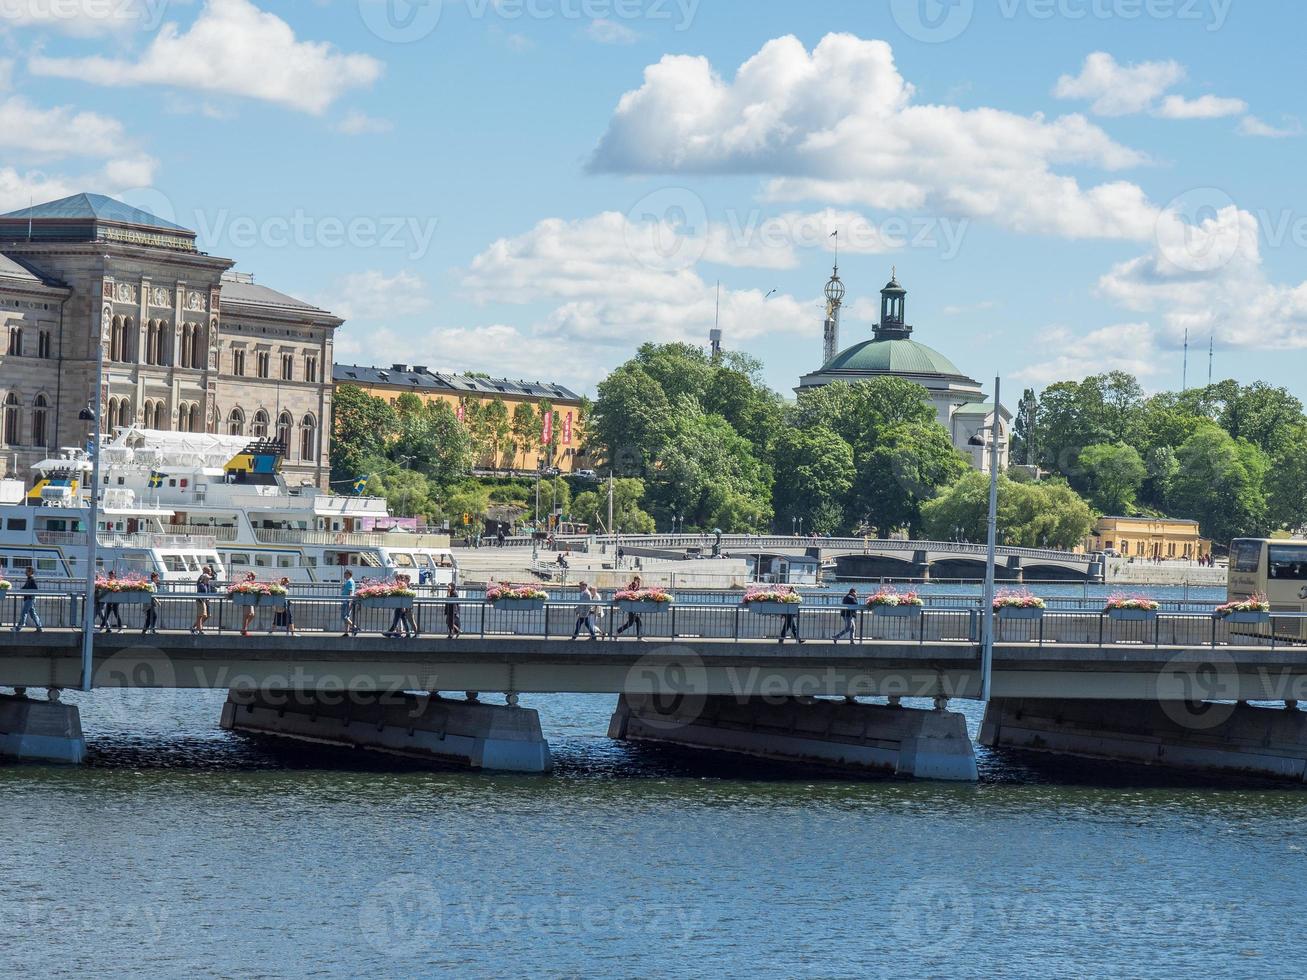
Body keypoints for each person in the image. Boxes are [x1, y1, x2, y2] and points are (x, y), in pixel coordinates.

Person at [384, 574, 418, 639]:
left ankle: (391, 632)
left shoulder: (404, 586)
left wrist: (403, 607)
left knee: (397, 620)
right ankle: (407, 634)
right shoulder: (402, 585)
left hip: (402, 606)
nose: (396, 580)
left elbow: (403, 597)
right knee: (403, 620)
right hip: (401, 606)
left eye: (397, 579)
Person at [615, 575, 645, 640]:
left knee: (638, 622)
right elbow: (632, 594)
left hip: (633, 607)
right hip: (632, 607)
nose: (640, 581)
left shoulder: (635, 585)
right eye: (639, 580)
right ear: (637, 580)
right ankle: (617, 632)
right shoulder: (633, 585)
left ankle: (639, 637)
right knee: (630, 623)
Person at [13, 567, 42, 633]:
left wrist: (26, 591)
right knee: (33, 614)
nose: (25, 572)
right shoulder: (29, 579)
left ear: (31, 572)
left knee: (24, 613)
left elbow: (35, 588)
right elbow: (25, 587)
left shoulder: (32, 579)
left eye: (27, 571)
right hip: (30, 599)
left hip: (30, 599)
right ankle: (39, 627)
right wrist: (20, 590)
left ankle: (18, 628)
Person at [192, 564, 215, 634]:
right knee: (202, 615)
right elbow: (200, 588)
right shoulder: (202, 578)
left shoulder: (207, 578)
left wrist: (208, 597)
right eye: (209, 571)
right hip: (202, 600)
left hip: (206, 599)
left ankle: (195, 627)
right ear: (205, 571)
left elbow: (208, 588)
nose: (211, 572)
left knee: (207, 615)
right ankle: (198, 628)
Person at [240, 570, 258, 636]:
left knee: (252, 614)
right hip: (246, 599)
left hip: (250, 600)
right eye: (253, 576)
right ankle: (244, 630)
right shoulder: (246, 581)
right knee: (246, 615)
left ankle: (244, 629)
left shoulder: (251, 582)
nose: (254, 578)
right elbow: (243, 588)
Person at [340, 569, 357, 636]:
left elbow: (350, 592)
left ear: (349, 575)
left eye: (345, 574)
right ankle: (346, 632)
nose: (344, 575)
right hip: (345, 601)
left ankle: (354, 627)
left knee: (344, 617)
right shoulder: (348, 581)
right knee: (346, 617)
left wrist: (350, 602)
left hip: (347, 601)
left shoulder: (350, 582)